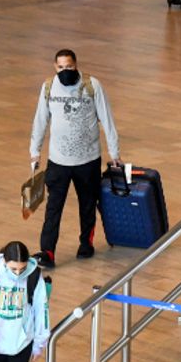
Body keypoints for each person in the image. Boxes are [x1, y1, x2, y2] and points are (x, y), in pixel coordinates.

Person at [30, 48, 121, 269]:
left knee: (87, 204)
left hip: (88, 160)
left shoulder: (92, 86)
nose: (65, 71)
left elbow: (107, 120)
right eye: (60, 67)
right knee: (53, 207)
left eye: (68, 67)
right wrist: (35, 151)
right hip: (58, 161)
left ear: (76, 65)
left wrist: (114, 152)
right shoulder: (49, 87)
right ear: (55, 67)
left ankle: (86, 243)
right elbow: (40, 120)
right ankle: (48, 251)